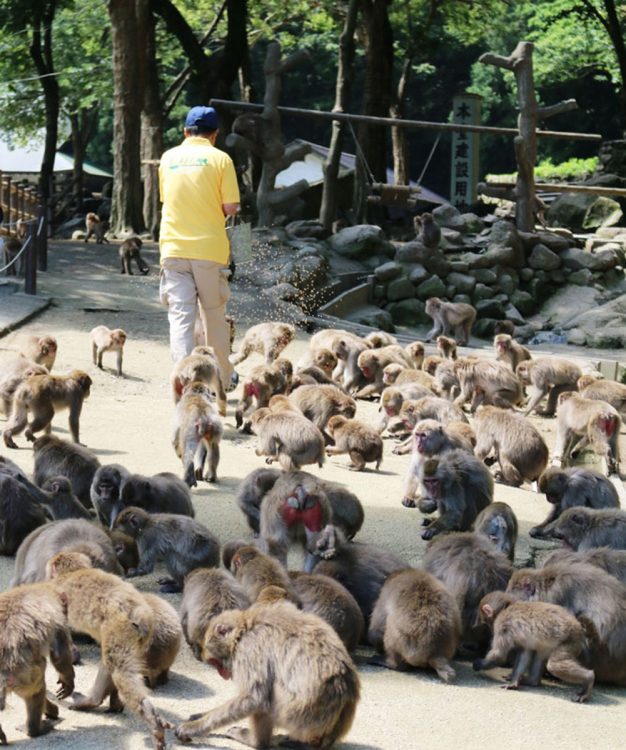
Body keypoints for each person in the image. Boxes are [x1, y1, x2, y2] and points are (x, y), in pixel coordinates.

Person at [158, 105, 240, 387]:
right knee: (213, 317)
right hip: (209, 251)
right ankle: (223, 379)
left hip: (172, 248)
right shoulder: (221, 159)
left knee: (180, 317)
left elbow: (166, 198)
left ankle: (183, 377)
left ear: (185, 131)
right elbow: (230, 206)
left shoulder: (168, 158)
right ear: (215, 134)